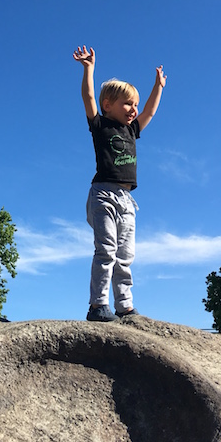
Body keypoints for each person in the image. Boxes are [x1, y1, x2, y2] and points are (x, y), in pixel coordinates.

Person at [73, 45, 166, 322]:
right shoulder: (101, 126)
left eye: (134, 104)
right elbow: (88, 96)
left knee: (125, 255)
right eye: (127, 104)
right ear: (108, 105)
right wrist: (89, 69)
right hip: (103, 195)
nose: (133, 109)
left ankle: (124, 306)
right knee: (107, 249)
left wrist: (158, 86)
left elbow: (149, 112)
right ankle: (98, 305)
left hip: (127, 200)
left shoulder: (131, 130)